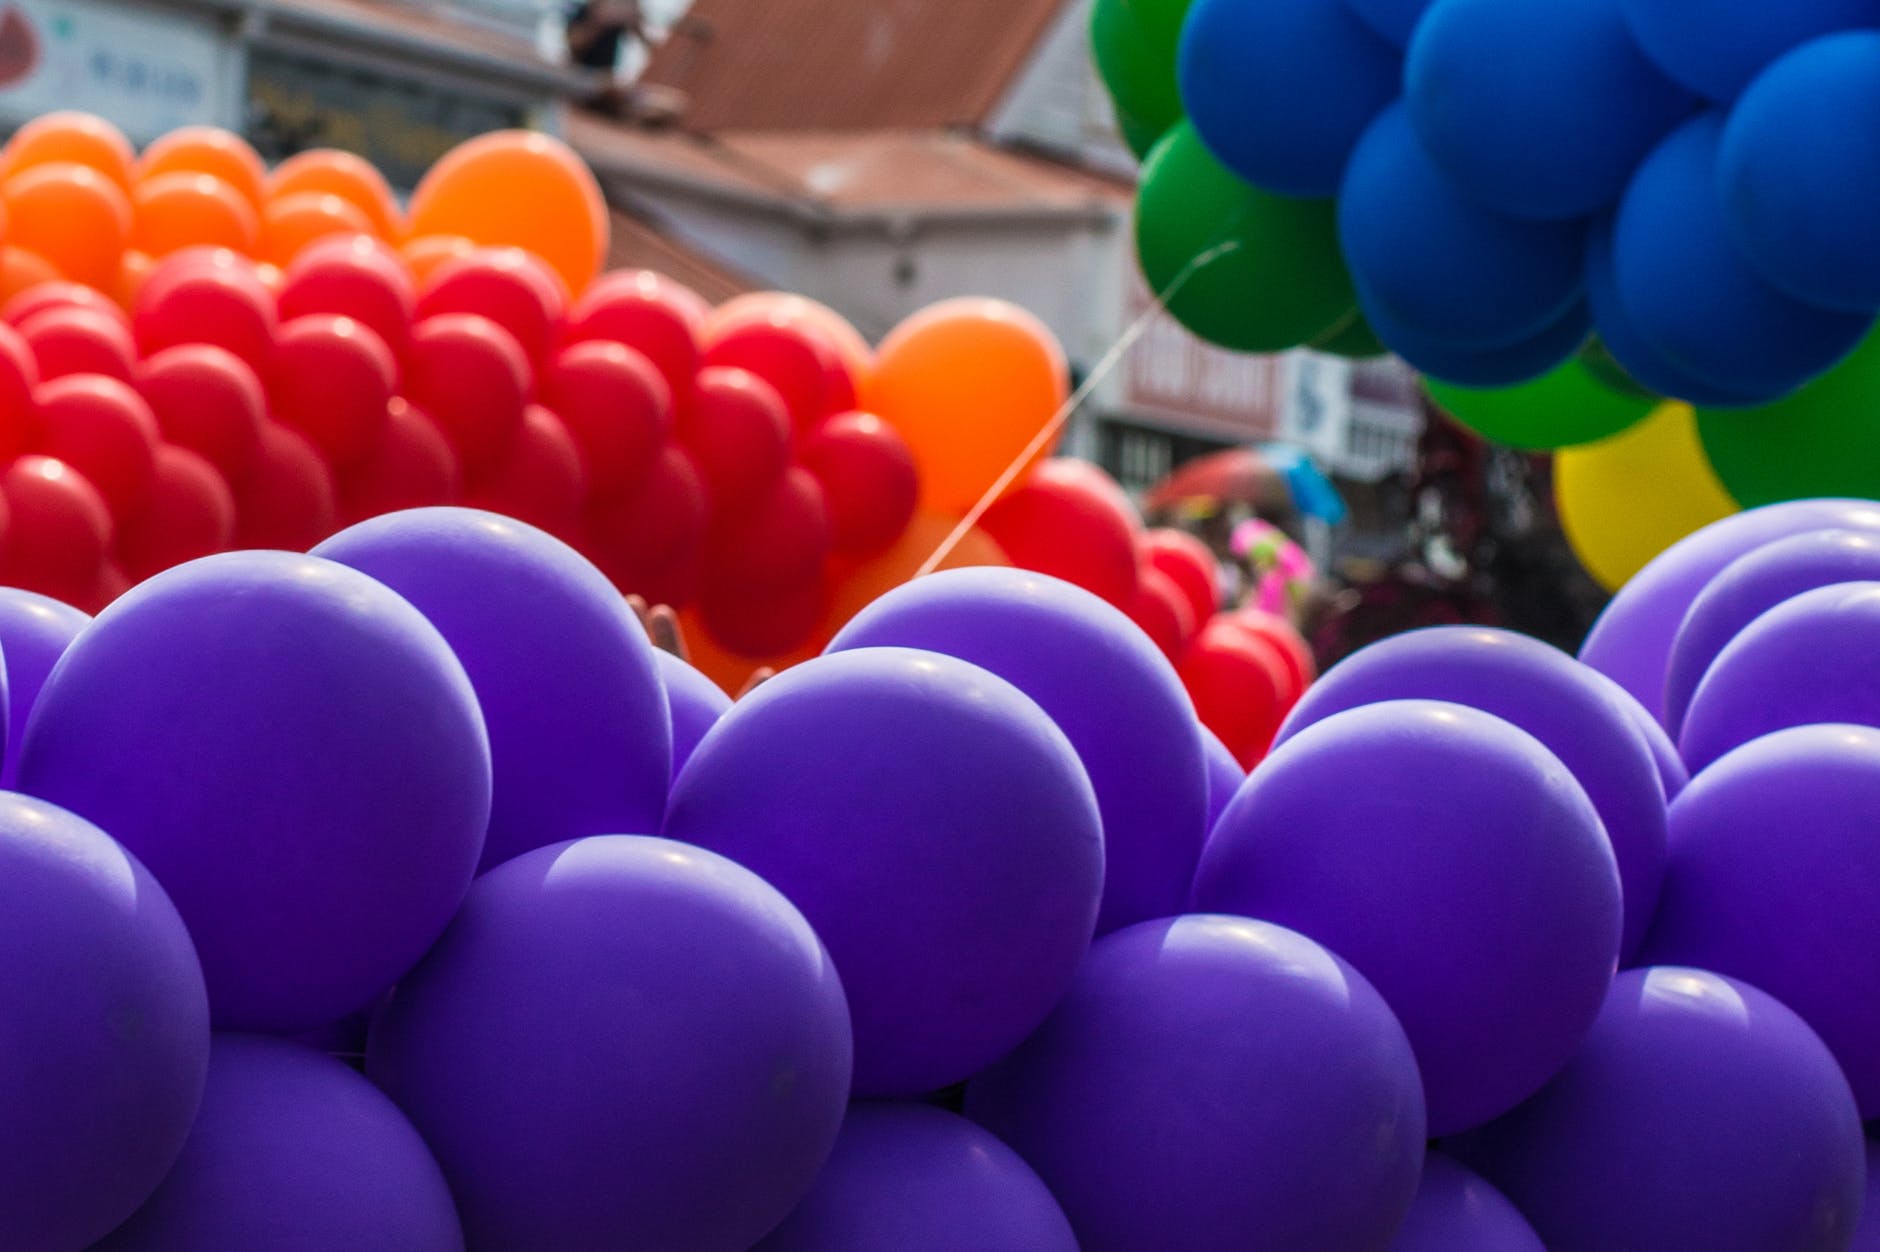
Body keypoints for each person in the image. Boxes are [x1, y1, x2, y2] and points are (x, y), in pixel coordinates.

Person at [566, 0, 648, 74]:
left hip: (604, 75)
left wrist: (635, 20)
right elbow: (572, 45)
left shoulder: (620, 15)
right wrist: (598, 21)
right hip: (579, 71)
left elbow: (645, 43)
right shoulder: (585, 11)